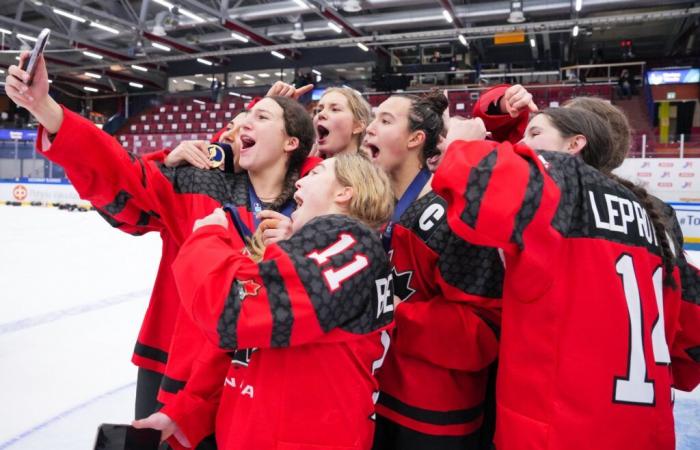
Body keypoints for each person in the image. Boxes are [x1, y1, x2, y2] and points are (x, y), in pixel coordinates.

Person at [4, 51, 316, 448]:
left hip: (268, 378)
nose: (238, 128)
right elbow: (122, 172)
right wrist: (45, 107)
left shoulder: (310, 200)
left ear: (293, 143)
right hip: (183, 375)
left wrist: (287, 115)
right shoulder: (200, 185)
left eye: (258, 118)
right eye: (239, 121)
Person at [433, 107, 700, 450]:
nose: (522, 144)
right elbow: (691, 334)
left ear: (575, 144)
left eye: (534, 133)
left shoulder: (564, 180)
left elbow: (476, 183)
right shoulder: (653, 213)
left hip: (560, 429)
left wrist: (460, 142)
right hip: (648, 427)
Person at [138, 152, 396, 450]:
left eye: (316, 173)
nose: (300, 181)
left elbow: (230, 315)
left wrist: (206, 238)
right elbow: (250, 356)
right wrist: (182, 416)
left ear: (344, 192)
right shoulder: (325, 251)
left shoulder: (352, 249)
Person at [364, 90, 504, 450]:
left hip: (432, 416)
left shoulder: (453, 209)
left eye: (385, 120)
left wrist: (380, 311)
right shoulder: (370, 205)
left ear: (416, 139)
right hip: (375, 396)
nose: (368, 128)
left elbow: (482, 330)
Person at [313, 87, 372, 158]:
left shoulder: (373, 168)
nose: (321, 114)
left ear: (357, 126)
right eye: (319, 110)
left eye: (335, 109)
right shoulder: (307, 166)